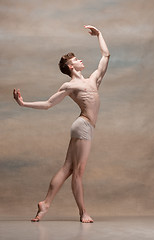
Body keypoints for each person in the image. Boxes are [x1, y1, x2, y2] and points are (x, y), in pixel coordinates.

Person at [13, 25, 110, 223]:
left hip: (84, 126)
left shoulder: (94, 79)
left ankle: (45, 204)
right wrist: (23, 104)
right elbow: (49, 104)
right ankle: (83, 212)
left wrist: (99, 34)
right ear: (71, 67)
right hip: (83, 125)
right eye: (76, 60)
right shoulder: (70, 85)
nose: (80, 59)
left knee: (67, 168)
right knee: (78, 172)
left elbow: (106, 55)